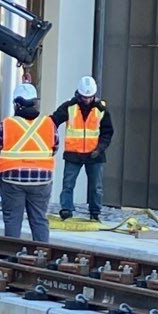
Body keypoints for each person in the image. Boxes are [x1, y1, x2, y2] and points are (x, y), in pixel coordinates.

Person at [0, 83, 57, 242]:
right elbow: (54, 147)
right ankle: (41, 255)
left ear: (16, 104)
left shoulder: (7, 125)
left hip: (12, 179)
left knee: (12, 219)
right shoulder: (48, 124)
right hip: (42, 180)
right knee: (39, 219)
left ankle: (11, 257)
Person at [51, 75, 113, 222]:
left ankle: (95, 213)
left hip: (94, 154)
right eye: (84, 97)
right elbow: (53, 121)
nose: (87, 100)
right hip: (73, 153)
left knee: (96, 187)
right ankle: (66, 210)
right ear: (78, 94)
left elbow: (107, 132)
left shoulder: (101, 110)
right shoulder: (69, 107)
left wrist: (99, 148)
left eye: (90, 97)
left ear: (94, 95)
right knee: (68, 184)